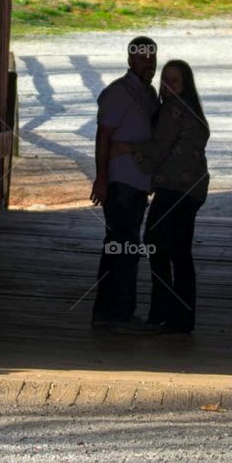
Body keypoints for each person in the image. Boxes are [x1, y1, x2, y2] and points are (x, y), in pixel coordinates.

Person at [112, 60, 210, 334]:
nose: (168, 85)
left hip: (175, 190)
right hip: (192, 190)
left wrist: (126, 149)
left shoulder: (173, 110)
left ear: (185, 84)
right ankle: (180, 317)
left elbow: (159, 148)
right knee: (179, 252)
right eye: (165, 80)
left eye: (174, 80)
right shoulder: (193, 110)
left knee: (156, 245)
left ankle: (164, 312)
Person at [90, 37, 159, 332]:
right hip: (120, 183)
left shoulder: (148, 93)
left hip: (138, 183)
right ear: (130, 60)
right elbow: (103, 138)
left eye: (152, 57)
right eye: (143, 58)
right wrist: (101, 179)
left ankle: (107, 313)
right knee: (124, 249)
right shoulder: (118, 93)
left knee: (120, 248)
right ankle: (119, 315)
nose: (149, 63)